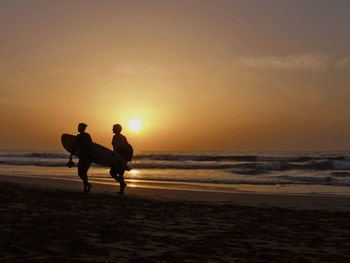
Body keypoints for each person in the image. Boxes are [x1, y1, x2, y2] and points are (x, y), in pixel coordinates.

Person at [69, 123, 93, 194]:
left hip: (83, 156)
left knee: (80, 173)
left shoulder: (79, 136)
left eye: (79, 127)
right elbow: (91, 146)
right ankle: (86, 187)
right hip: (89, 156)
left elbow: (75, 146)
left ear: (81, 128)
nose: (78, 128)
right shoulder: (88, 135)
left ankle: (87, 186)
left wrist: (71, 155)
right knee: (84, 173)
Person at [109, 123, 133, 194]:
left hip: (119, 159)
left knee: (112, 173)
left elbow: (116, 148)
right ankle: (121, 189)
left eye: (113, 128)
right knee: (120, 174)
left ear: (117, 129)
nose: (112, 129)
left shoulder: (116, 137)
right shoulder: (123, 137)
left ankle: (122, 185)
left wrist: (114, 156)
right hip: (123, 159)